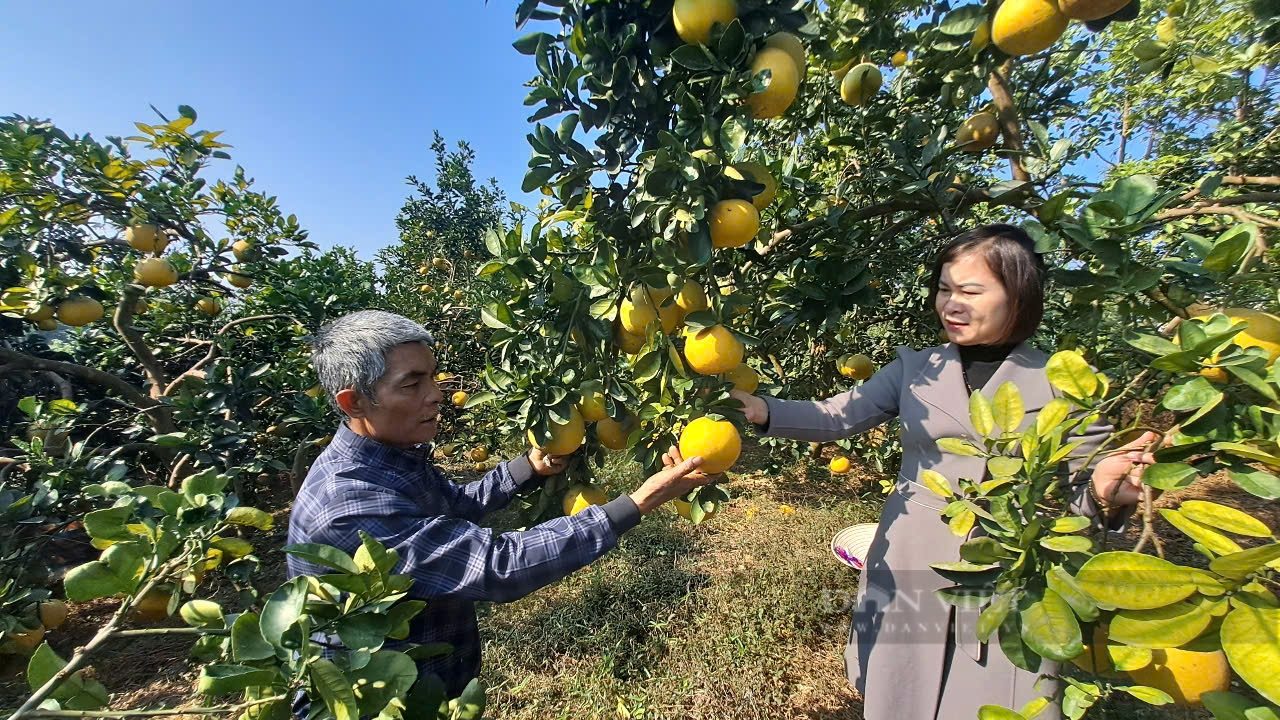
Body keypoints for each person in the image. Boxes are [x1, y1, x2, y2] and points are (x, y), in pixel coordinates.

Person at [726, 225, 1157, 719]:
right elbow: (838, 415)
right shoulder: (917, 368)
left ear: (1019, 296)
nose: (951, 304)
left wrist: (1107, 490)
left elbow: (1080, 491)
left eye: (971, 291)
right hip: (915, 551)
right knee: (901, 684)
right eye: (945, 289)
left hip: (1010, 567)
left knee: (998, 693)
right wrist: (760, 409)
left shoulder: (1065, 380)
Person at [287, 310, 714, 697]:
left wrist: (526, 468)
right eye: (412, 383)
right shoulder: (350, 500)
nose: (436, 394)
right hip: (383, 701)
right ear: (354, 401)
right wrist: (640, 501)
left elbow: (452, 507)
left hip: (435, 682)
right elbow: (498, 566)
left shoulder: (391, 458)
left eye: (433, 377)